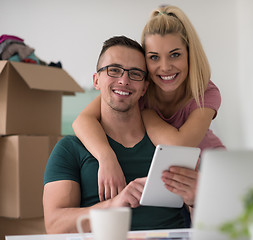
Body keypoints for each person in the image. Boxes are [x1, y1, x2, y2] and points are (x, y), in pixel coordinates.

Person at [43, 36, 197, 233]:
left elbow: (207, 219)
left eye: (135, 74)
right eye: (114, 70)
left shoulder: (167, 142)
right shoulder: (70, 149)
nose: (124, 80)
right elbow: (54, 225)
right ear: (96, 80)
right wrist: (113, 206)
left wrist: (197, 199)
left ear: (144, 88)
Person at [72, 5, 225, 202]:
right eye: (154, 57)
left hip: (209, 165)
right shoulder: (139, 86)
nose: (165, 67)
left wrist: (146, 115)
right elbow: (82, 120)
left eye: (175, 54)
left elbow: (180, 145)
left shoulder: (204, 91)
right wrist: (106, 158)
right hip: (174, 173)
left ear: (190, 55)